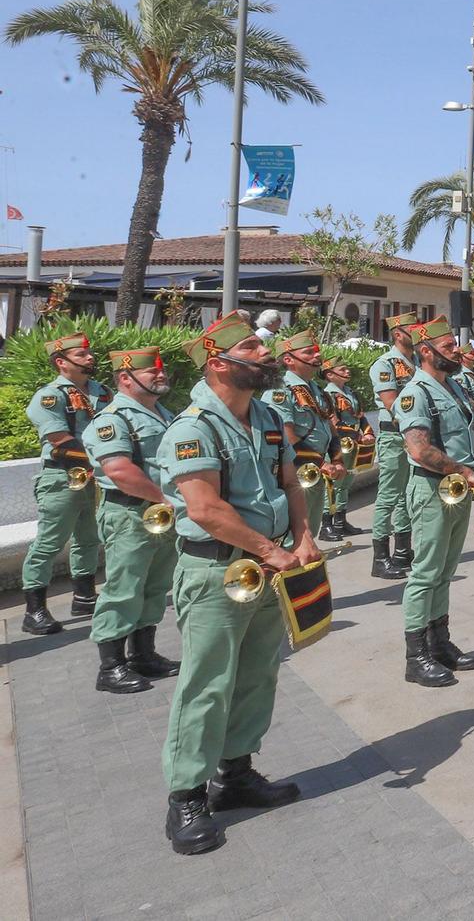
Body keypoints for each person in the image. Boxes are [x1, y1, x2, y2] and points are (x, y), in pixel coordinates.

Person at [156, 311, 317, 855]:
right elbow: (204, 509)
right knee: (206, 684)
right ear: (218, 361)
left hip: (270, 568)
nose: (265, 353)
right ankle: (186, 796)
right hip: (218, 572)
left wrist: (303, 537)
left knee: (256, 674)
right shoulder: (191, 429)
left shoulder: (268, 416)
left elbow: (290, 481)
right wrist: (273, 550)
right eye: (252, 346)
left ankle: (236, 774)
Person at [394, 318, 474, 687]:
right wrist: (465, 472)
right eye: (449, 347)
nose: (456, 351)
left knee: (445, 570)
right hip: (433, 488)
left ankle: (440, 643)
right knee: (425, 573)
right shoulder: (416, 392)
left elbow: (472, 431)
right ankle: (415, 655)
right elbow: (420, 450)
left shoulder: (454, 387)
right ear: (426, 351)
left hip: (456, 488)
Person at [80, 346, 182, 693]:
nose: (160, 374)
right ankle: (110, 666)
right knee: (124, 589)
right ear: (125, 378)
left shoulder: (163, 414)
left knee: (154, 586)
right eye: (151, 371)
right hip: (130, 514)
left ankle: (143, 654)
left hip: (160, 516)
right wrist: (169, 499)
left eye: (161, 369)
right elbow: (120, 470)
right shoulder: (113, 420)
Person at [21, 330, 106, 634]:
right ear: (61, 362)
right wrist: (104, 460)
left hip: (95, 475)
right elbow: (59, 439)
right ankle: (34, 610)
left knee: (89, 537)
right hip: (62, 476)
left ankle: (84, 597)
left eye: (89, 353)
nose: (90, 358)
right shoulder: (50, 396)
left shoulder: (101, 391)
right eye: (81, 355)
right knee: (50, 542)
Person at [261, 330, 342, 546]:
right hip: (294, 474)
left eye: (316, 352)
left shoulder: (317, 390)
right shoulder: (281, 389)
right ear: (288, 359)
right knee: (291, 538)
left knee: (310, 531)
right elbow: (285, 434)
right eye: (308, 352)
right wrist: (321, 462)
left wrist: (337, 460)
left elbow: (331, 429)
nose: (317, 356)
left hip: (315, 473)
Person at [367, 311, 424, 580]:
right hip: (394, 435)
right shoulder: (385, 364)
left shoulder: (416, 362)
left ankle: (402, 550)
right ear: (398, 333)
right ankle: (380, 557)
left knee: (406, 495)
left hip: (412, 434)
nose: (418, 331)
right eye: (413, 328)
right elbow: (391, 402)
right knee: (389, 495)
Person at [319, 358, 367, 540]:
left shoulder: (350, 392)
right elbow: (334, 423)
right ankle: (326, 525)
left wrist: (367, 432)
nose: (347, 372)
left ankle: (340, 521)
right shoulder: (328, 395)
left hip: (353, 443)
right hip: (339, 443)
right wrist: (358, 435)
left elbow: (360, 416)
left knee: (346, 481)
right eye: (343, 369)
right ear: (329, 374)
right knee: (332, 484)